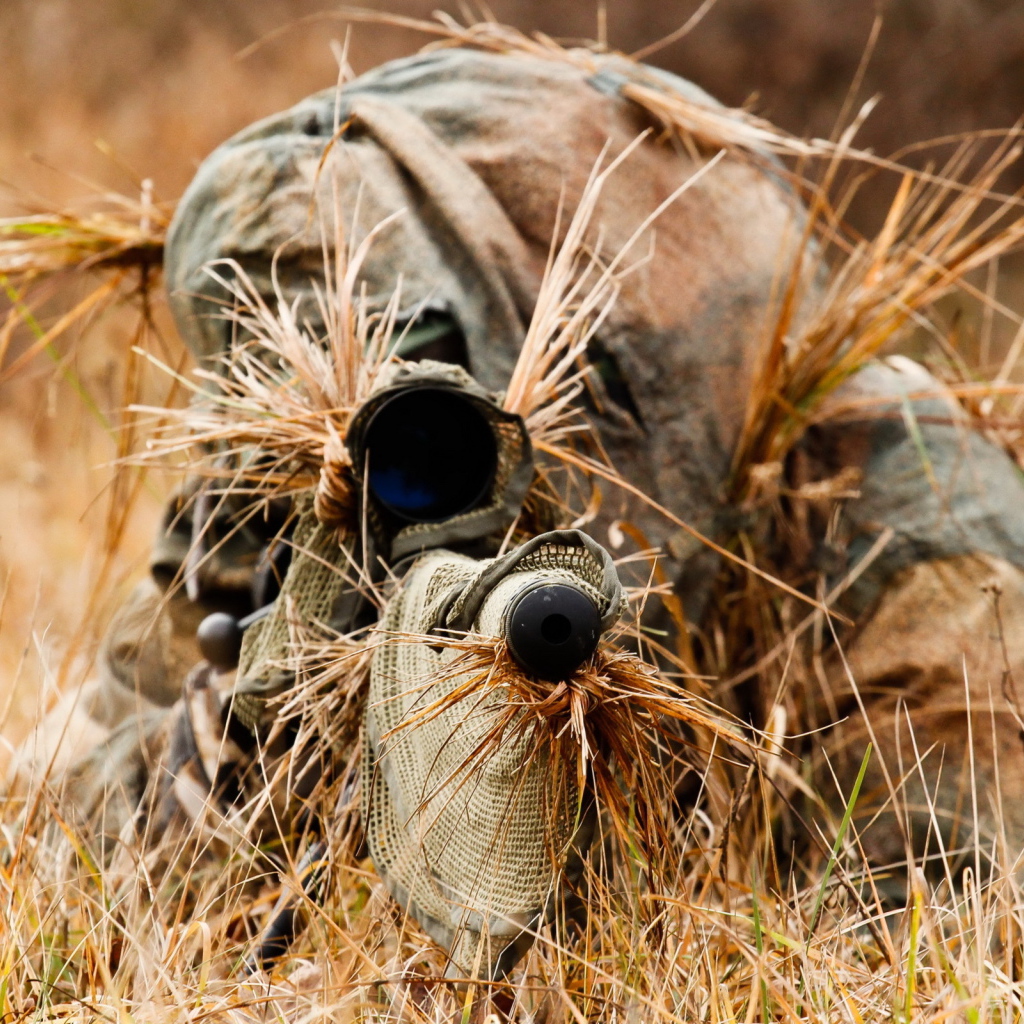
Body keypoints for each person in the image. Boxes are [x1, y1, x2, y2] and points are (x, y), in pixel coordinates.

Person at [13, 39, 1024, 975]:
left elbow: (933, 937)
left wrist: (639, 799)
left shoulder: (908, 518)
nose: (393, 505)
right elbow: (58, 823)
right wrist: (221, 766)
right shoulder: (298, 461)